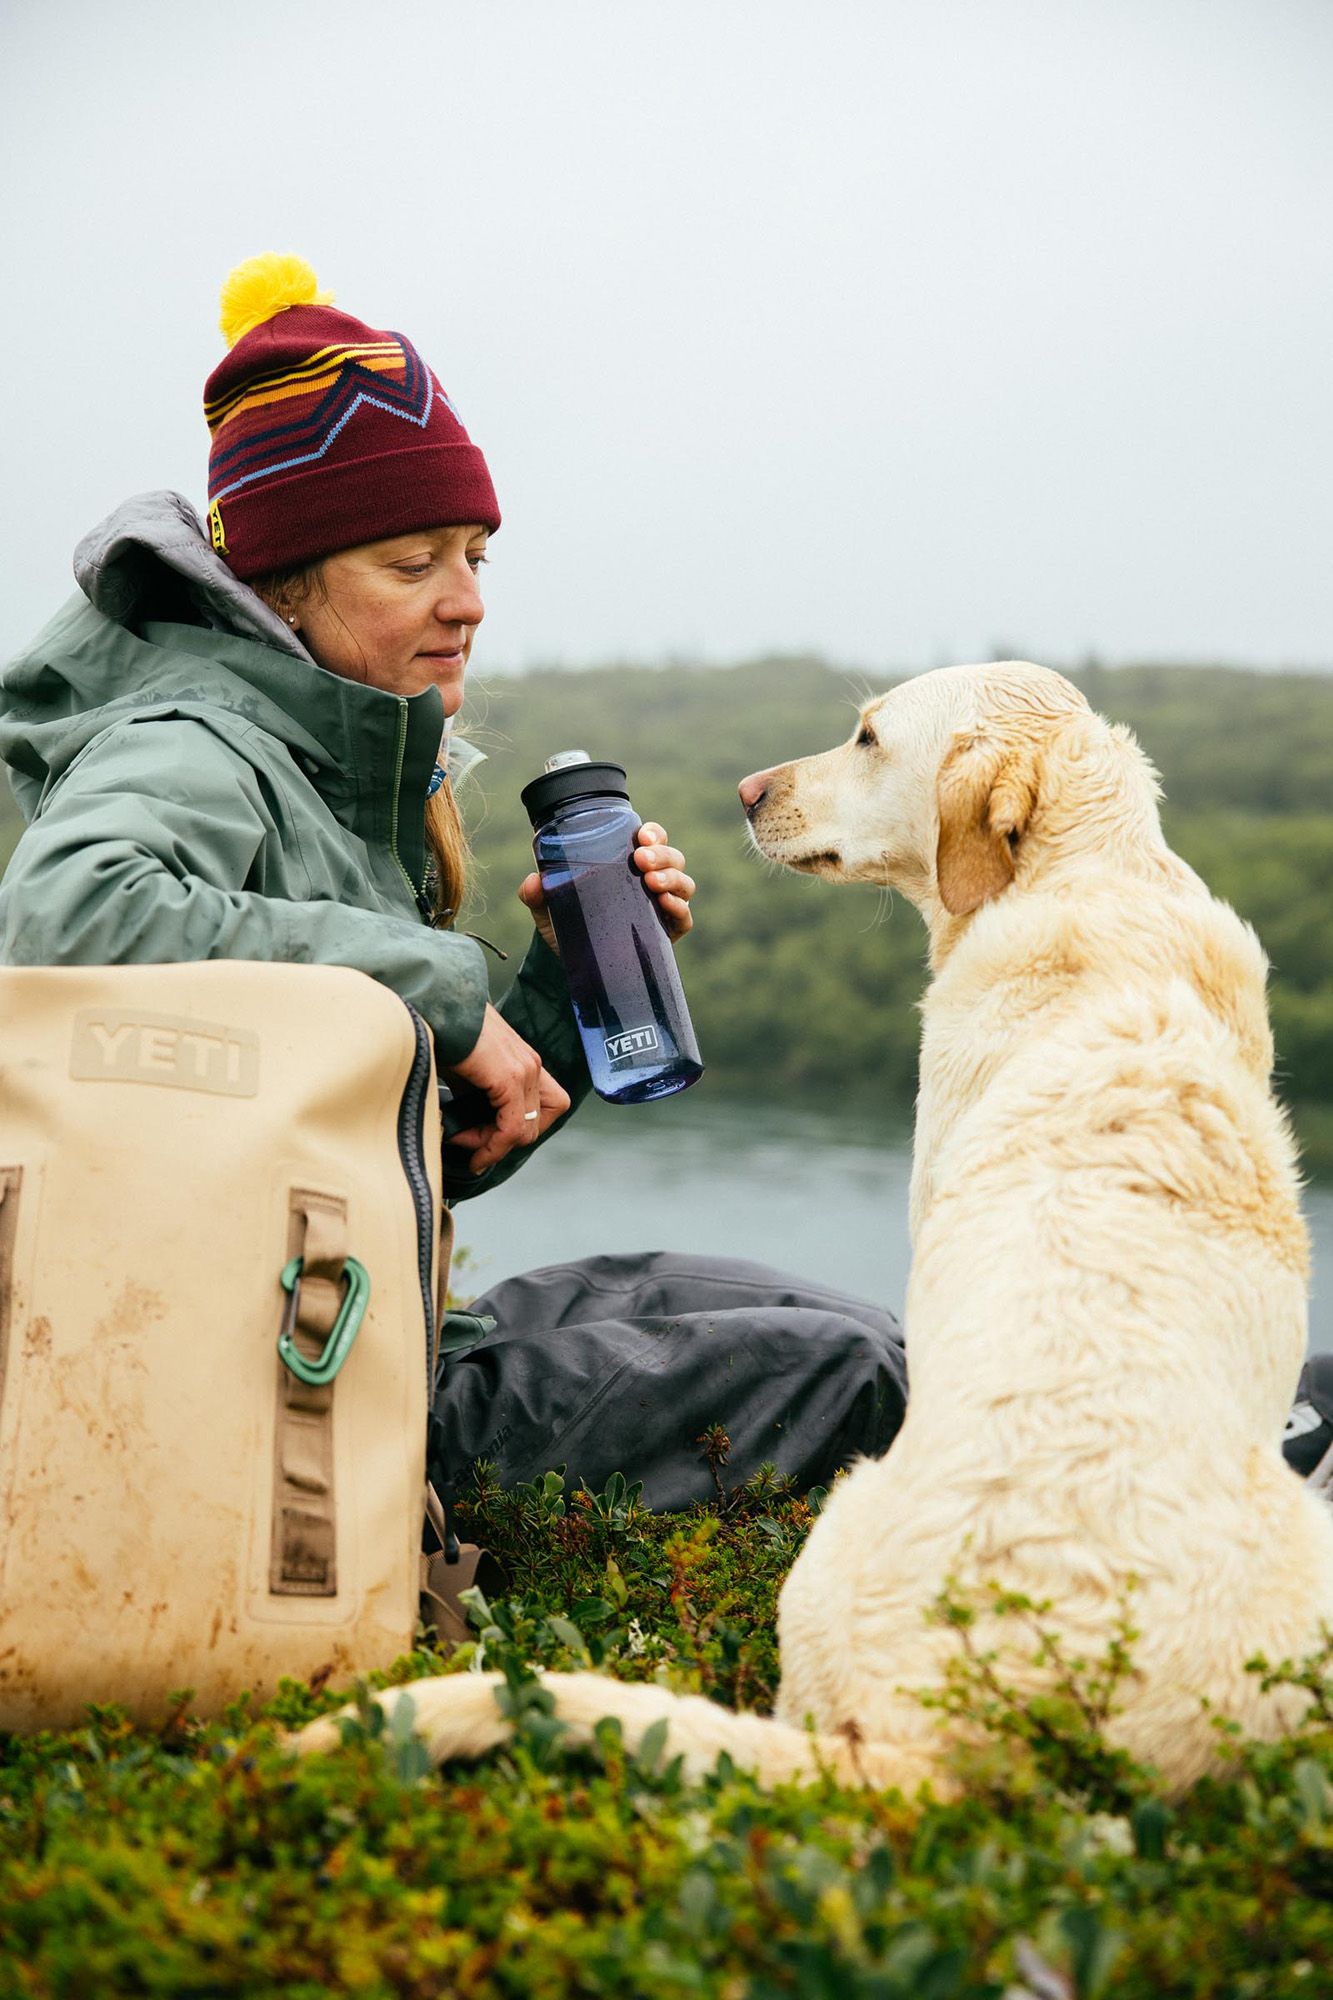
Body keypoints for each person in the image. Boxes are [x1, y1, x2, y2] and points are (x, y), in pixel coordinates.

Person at [0, 254, 912, 1517]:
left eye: (474, 553)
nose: (468, 601)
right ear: (282, 582)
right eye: (413, 560)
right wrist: (438, 986)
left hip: (344, 1336)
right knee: (851, 1375)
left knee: (855, 1323)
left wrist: (558, 999)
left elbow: (405, 1148)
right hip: (274, 1406)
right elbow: (61, 914)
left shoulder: (321, 766)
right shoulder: (194, 745)